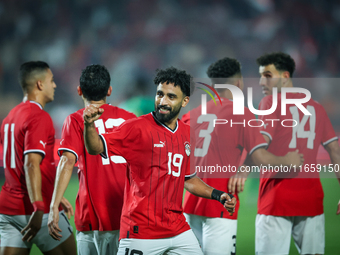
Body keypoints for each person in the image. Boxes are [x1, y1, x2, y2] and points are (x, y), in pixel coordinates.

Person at [82, 67, 237, 255]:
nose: (163, 101)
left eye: (171, 97)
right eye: (160, 94)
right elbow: (95, 147)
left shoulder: (187, 133)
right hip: (142, 231)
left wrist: (217, 195)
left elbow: (188, 179)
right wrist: (89, 125)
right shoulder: (137, 128)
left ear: (185, 101)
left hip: (178, 229)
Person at [181, 57, 304, 255]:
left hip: (190, 203)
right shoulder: (243, 114)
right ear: (239, 83)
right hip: (221, 203)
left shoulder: (192, 114)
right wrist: (288, 160)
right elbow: (260, 157)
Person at [255, 52, 340, 255]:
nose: (260, 82)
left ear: (285, 76)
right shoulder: (317, 108)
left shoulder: (270, 103)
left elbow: (258, 150)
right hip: (311, 200)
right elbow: (335, 149)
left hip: (275, 199)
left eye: (267, 75)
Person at [48, 64, 136, 255]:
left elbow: (67, 161)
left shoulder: (75, 119)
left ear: (79, 90)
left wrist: (54, 204)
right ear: (109, 91)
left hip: (92, 216)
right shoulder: (130, 119)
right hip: (126, 214)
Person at [0, 61, 76, 255]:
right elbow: (31, 164)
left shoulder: (10, 117)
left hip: (8, 210)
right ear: (40, 84)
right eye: (51, 80)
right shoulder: (38, 116)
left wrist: (54, 196)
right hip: (35, 211)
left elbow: (16, 163)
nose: (55, 85)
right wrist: (40, 206)